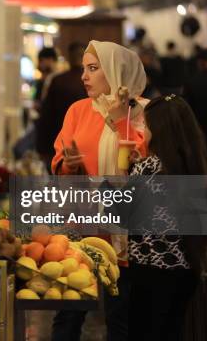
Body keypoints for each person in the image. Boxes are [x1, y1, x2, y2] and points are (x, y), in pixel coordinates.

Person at [51, 40, 148, 341]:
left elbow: (146, 162)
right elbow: (59, 161)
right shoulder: (78, 111)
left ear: (117, 73)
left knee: (122, 315)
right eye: (84, 69)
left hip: (127, 227)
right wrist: (68, 164)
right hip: (82, 223)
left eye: (93, 69)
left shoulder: (144, 112)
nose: (84, 76)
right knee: (69, 309)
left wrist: (120, 121)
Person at [112, 94, 207, 340]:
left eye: (146, 124)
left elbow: (120, 213)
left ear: (160, 129)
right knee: (172, 330)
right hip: (186, 268)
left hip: (151, 271)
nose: (143, 130)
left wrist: (114, 181)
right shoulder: (193, 165)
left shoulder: (150, 168)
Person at [35, 42, 86, 172]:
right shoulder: (87, 81)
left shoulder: (58, 80)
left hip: (59, 139)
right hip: (83, 140)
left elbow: (46, 116)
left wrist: (42, 148)